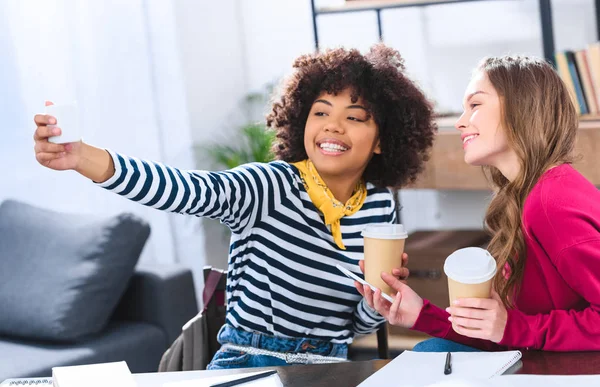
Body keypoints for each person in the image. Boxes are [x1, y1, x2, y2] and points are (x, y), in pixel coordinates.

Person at [33, 44, 436, 367]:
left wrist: (378, 303)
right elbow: (183, 190)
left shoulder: (378, 205)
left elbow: (356, 326)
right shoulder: (269, 185)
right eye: (320, 112)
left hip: (329, 368)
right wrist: (84, 159)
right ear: (301, 122)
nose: (333, 125)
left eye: (355, 117)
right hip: (250, 363)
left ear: (383, 140)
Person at [358, 55, 600, 352]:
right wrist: (420, 314)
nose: (460, 123)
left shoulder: (551, 203)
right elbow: (503, 332)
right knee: (428, 352)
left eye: (475, 105)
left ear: (519, 108)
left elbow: (515, 331)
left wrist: (512, 328)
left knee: (428, 356)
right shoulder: (531, 195)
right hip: (541, 356)